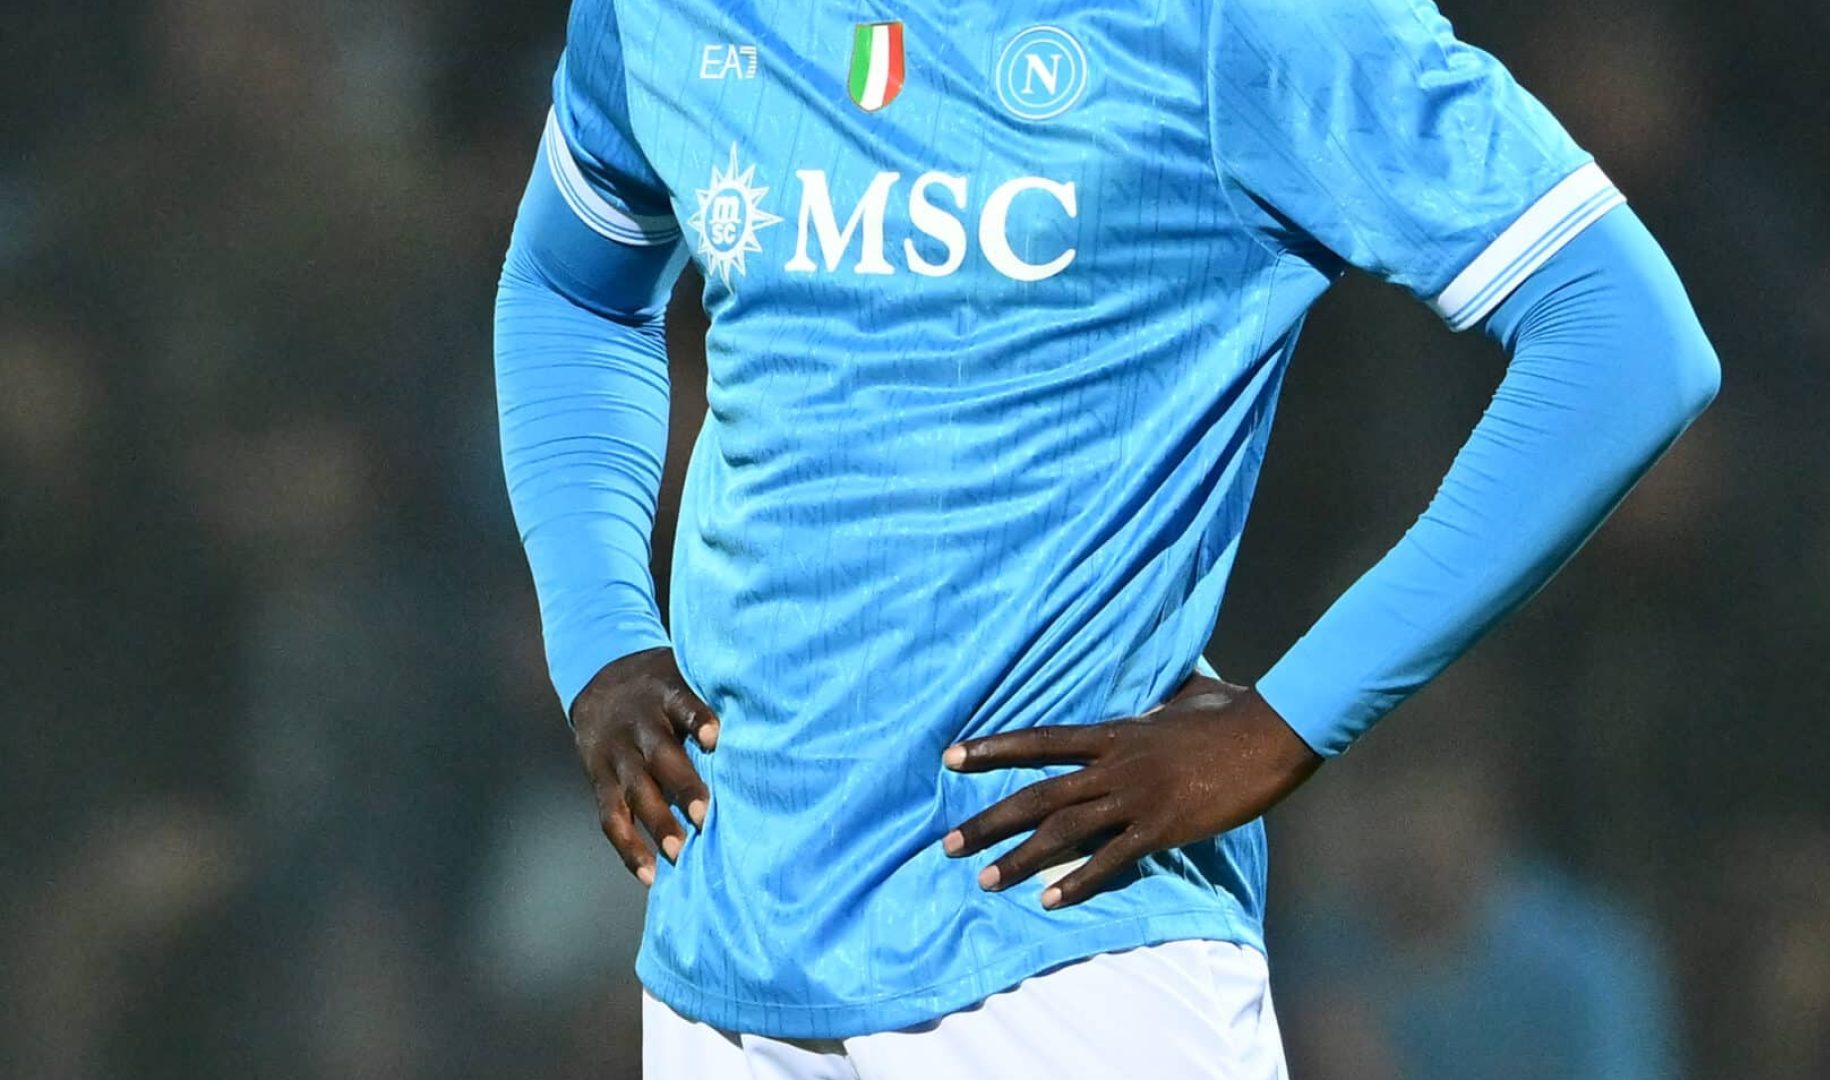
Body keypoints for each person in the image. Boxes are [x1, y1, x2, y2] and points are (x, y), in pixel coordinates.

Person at [492, 0, 1719, 1074]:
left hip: (1068, 943)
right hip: (725, 948)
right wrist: (600, 634)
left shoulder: (1244, 19)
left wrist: (1287, 723)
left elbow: (1624, 337)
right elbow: (569, 287)